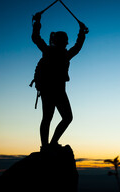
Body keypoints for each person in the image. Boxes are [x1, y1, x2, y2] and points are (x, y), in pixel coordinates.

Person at [31, 12, 88, 151]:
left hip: (47, 89)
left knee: (48, 118)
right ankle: (50, 144)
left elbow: (36, 38)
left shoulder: (48, 51)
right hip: (57, 90)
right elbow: (78, 47)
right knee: (66, 117)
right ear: (63, 42)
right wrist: (82, 32)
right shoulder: (65, 55)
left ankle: (47, 146)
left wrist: (37, 23)